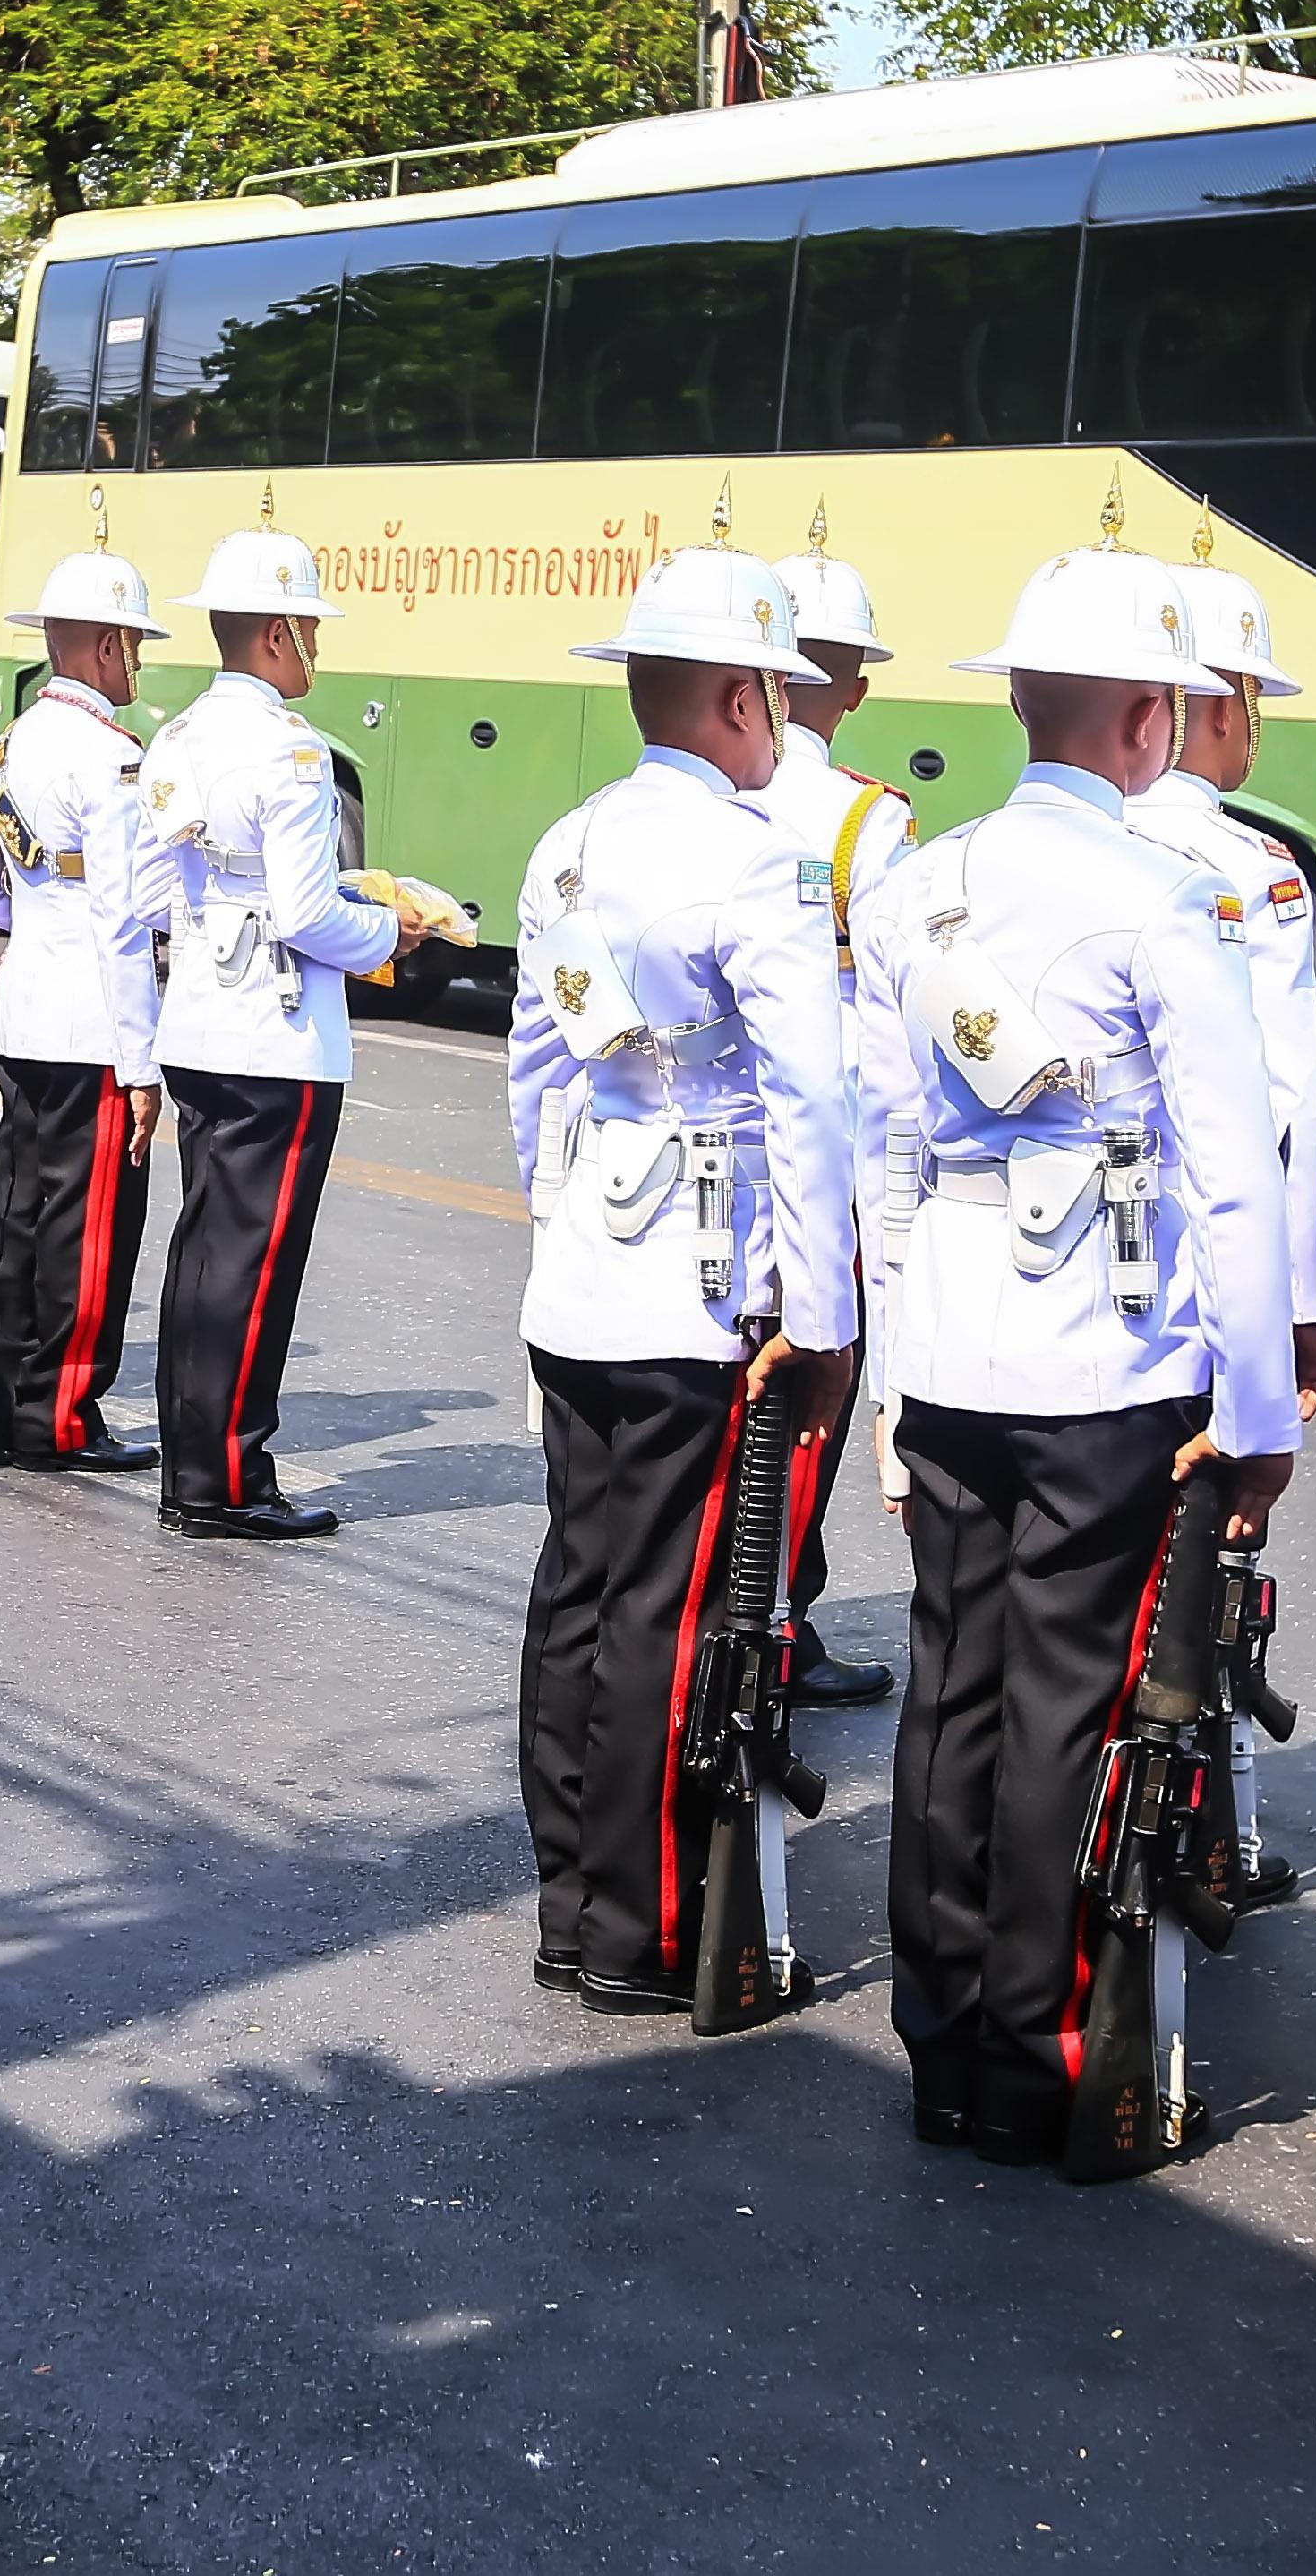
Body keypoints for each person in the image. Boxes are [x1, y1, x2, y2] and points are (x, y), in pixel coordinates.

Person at [845, 539, 1294, 2158]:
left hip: (956, 1342)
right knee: (1061, 1702)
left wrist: (895, 1386)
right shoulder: (1167, 899)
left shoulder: (913, 888)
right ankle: (1037, 2046)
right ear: (1147, 722)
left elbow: (882, 1153)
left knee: (950, 1687)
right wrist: (1255, 1411)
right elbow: (1232, 1171)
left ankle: (941, 2034)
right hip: (1104, 1360)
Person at [508, 543, 865, 2016]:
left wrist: (558, 1219)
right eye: (775, 692)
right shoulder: (755, 859)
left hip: (587, 1261)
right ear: (738, 695)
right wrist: (819, 1309)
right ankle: (640, 1924)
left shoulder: (568, 841)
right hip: (701, 1288)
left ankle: (566, 1899)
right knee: (666, 1604)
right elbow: (810, 1097)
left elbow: (538, 1070)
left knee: (579, 1586)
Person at [143, 491, 467, 1537]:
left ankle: (191, 1467)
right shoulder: (293, 753)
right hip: (273, 1033)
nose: (316, 647)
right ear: (278, 632)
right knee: (252, 1264)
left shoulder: (181, 736)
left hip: (197, 1016)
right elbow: (304, 910)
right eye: (312, 628)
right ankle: (228, 1480)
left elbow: (155, 893)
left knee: (202, 1253)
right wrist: (389, 938)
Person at [1116, 501, 1316, 1897]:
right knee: (1201, 1542)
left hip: (1072, 1274)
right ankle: (1189, 1835)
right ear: (1214, 708)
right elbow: (1288, 1116)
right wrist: (1302, 1323)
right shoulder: (1258, 873)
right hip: (1210, 1271)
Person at [0, 514, 170, 1474]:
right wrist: (142, 1063)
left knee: (22, 1212)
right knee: (88, 1231)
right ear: (102, 644)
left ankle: (9, 1406)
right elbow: (126, 923)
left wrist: (32, 917)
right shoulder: (112, 757)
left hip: (30, 1006)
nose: (139, 664)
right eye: (134, 644)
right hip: (93, 1017)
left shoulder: (10, 746)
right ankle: (64, 1413)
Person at [755, 510, 910, 1716]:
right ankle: (777, 1621)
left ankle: (719, 1597)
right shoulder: (870, 820)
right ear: (848, 687)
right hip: (833, 1139)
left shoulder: (697, 806)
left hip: (708, 1136)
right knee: (813, 1377)